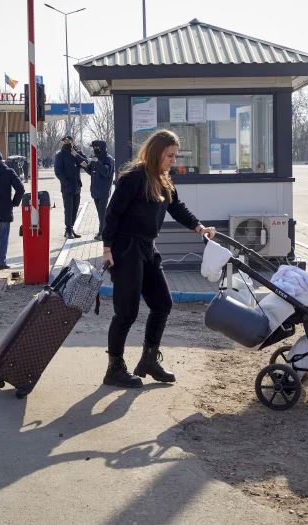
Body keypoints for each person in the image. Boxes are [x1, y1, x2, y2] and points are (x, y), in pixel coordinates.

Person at [101, 129, 216, 389]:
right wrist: (107, 249)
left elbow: (176, 207)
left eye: (175, 156)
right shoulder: (133, 177)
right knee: (126, 312)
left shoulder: (162, 178)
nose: (173, 161)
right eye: (169, 156)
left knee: (163, 303)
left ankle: (149, 359)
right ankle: (114, 368)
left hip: (147, 248)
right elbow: (112, 214)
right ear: (156, 153)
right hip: (125, 248)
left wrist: (200, 228)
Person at [54, 135, 88, 239]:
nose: (67, 142)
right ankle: (68, 230)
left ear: (73, 141)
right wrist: (65, 183)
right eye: (65, 141)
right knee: (68, 209)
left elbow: (85, 163)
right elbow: (58, 171)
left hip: (77, 186)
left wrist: (77, 153)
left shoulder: (76, 153)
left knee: (75, 209)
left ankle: (71, 229)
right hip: (67, 187)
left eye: (69, 140)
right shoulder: (60, 155)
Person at [84, 140, 115, 241]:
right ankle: (103, 231)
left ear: (101, 147)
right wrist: (85, 167)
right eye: (93, 147)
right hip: (95, 191)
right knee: (100, 213)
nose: (94, 149)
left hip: (104, 191)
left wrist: (96, 162)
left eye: (96, 147)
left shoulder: (108, 159)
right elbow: (92, 171)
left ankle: (102, 233)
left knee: (102, 213)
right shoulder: (96, 158)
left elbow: (106, 172)